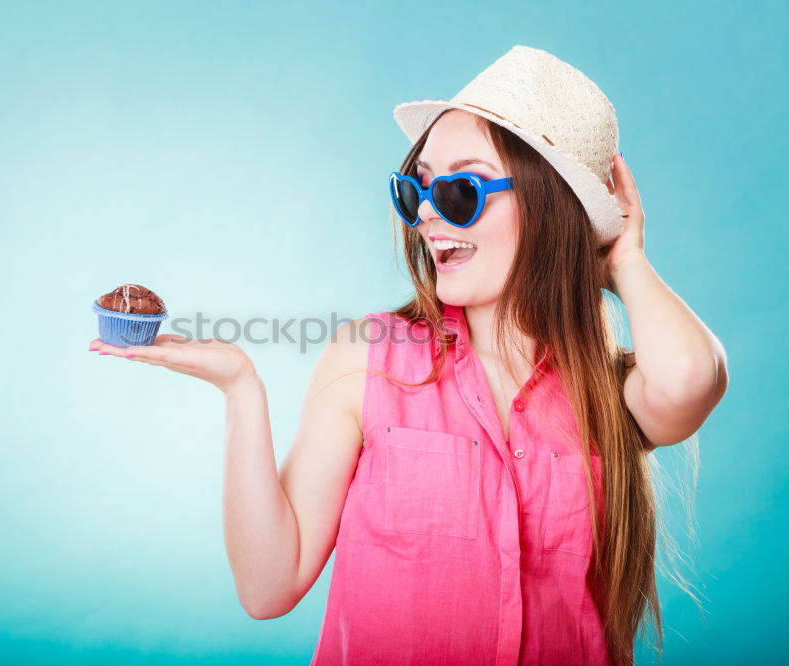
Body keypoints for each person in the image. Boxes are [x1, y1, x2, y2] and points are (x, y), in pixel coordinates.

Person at [88, 45, 728, 666]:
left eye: (461, 193)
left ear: (549, 205)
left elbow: (692, 376)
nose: (425, 215)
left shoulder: (609, 392)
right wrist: (241, 390)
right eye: (414, 190)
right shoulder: (367, 359)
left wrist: (623, 256)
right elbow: (268, 585)